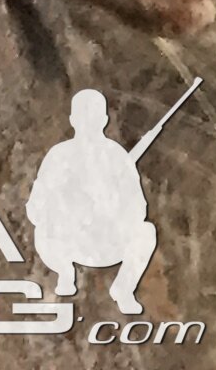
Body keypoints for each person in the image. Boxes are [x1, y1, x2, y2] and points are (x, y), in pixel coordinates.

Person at [27, 88, 162, 315]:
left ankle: (124, 288)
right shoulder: (59, 156)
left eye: (94, 116)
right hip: (68, 241)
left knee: (146, 232)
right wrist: (67, 208)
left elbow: (138, 207)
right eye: (82, 116)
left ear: (104, 120)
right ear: (72, 119)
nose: (88, 122)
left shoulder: (117, 156)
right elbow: (36, 207)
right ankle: (65, 273)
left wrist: (112, 206)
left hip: (109, 242)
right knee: (43, 231)